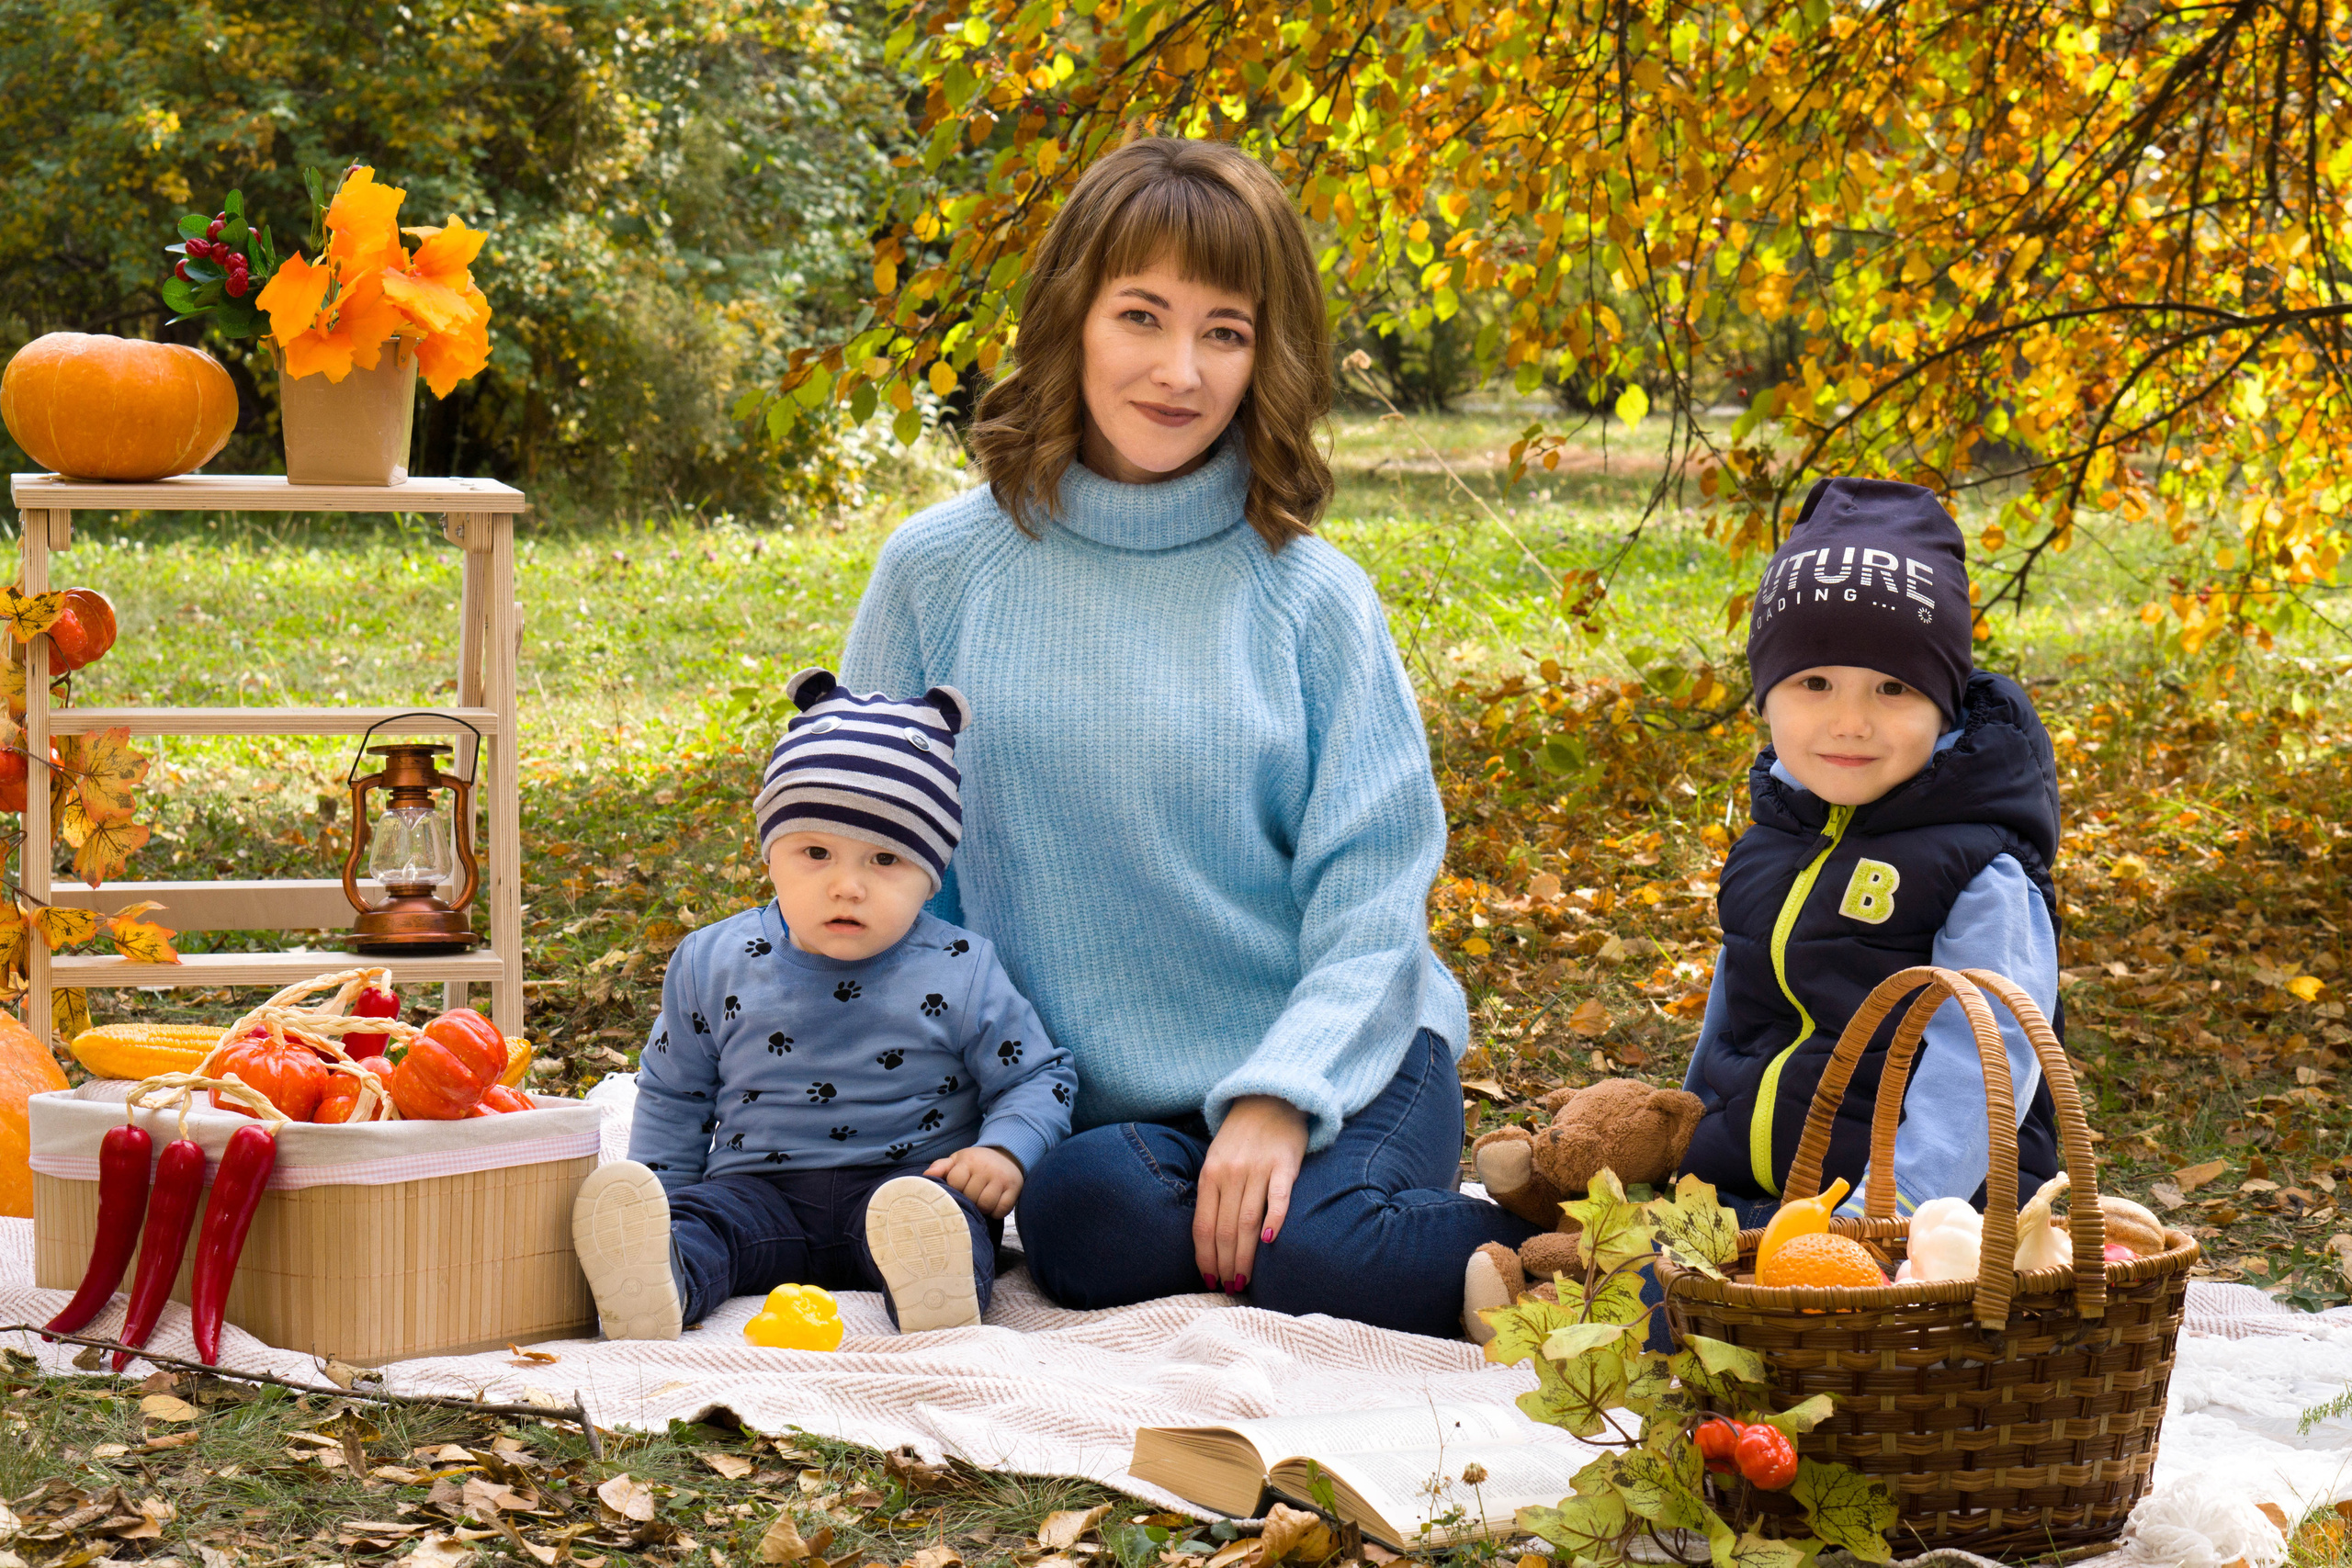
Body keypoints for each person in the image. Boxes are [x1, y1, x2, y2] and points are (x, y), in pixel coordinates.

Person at [840, 135, 1541, 1340]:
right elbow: (876, 854)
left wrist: (1279, 1095)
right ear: (1071, 318)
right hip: (1114, 1113)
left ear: (1267, 357)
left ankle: (1596, 1265)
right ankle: (1364, 1254)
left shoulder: (1311, 595)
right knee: (1080, 1219)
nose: (1180, 369)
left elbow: (1375, 893)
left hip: (1351, 1048)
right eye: (1143, 317)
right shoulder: (939, 572)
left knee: (1329, 1237)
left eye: (1225, 330)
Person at [571, 670, 1075, 1338]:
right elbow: (674, 1091)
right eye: (815, 852)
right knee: (707, 1227)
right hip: (757, 1193)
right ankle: (660, 1275)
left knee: (944, 1219)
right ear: (769, 854)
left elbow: (1038, 1076)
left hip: (907, 1188)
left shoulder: (961, 967)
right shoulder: (712, 960)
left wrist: (1005, 1151)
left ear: (931, 879)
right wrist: (661, 1203)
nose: (848, 886)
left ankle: (936, 1290)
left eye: (886, 860)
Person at [1679, 476, 2064, 1224]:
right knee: (1607, 1266)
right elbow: (1734, 1016)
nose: (1850, 722)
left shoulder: (1979, 868)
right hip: (1758, 1192)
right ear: (1764, 696)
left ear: (1943, 703)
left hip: (1924, 1223)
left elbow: (1989, 1055)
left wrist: (1893, 1211)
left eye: (1893, 689)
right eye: (1815, 682)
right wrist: (1686, 1135)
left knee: (1669, 1310)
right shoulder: (1772, 838)